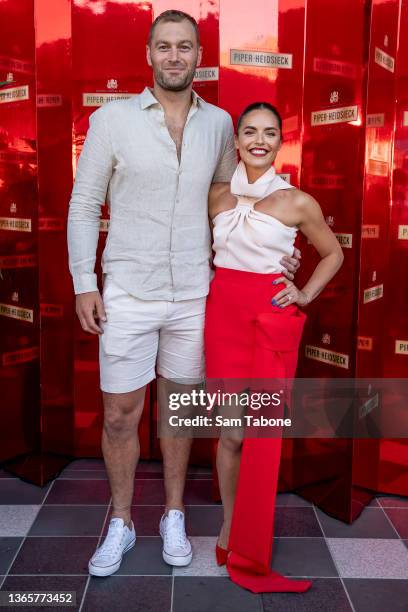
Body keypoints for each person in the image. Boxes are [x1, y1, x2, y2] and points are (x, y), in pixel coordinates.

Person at [67, 12, 299, 577]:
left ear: (199, 56)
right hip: (126, 289)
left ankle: (172, 514)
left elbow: (232, 202)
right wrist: (83, 282)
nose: (175, 56)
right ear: (149, 54)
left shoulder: (220, 124)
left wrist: (278, 252)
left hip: (197, 292)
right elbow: (82, 204)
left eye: (185, 47)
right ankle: (121, 521)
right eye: (164, 47)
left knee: (180, 409)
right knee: (121, 413)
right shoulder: (111, 121)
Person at [205, 102, 344, 593]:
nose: (258, 140)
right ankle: (228, 524)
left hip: (269, 321)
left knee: (260, 435)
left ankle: (251, 539)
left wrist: (303, 292)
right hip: (222, 318)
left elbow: (334, 253)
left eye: (268, 133)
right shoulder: (216, 195)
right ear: (237, 140)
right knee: (231, 435)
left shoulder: (297, 201)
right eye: (249, 132)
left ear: (280, 142)